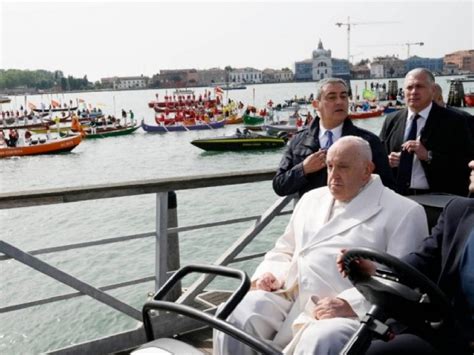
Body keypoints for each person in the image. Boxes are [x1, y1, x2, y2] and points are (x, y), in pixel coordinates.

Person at [214, 136, 428, 355]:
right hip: (291, 294)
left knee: (322, 339)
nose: (333, 176)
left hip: (350, 311)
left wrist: (349, 303)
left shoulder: (403, 212)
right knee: (235, 314)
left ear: (367, 170)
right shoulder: (311, 199)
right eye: (330, 166)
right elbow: (285, 248)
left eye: (343, 167)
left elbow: (402, 280)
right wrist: (269, 274)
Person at [337, 159, 474, 355]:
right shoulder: (458, 212)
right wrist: (374, 269)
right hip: (448, 335)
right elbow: (419, 263)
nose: (470, 163)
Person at [273, 78, 394, 198]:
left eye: (343, 96)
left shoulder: (368, 141)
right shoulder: (299, 141)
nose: (339, 102)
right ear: (316, 104)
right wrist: (304, 169)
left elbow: (387, 186)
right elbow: (279, 185)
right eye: (332, 97)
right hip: (313, 214)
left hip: (354, 214)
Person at [379, 68, 474, 196]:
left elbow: (465, 164)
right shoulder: (391, 120)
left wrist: (429, 156)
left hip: (439, 198)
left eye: (419, 86)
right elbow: (378, 158)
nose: (413, 92)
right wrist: (387, 161)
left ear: (433, 90)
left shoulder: (455, 121)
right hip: (399, 197)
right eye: (409, 87)